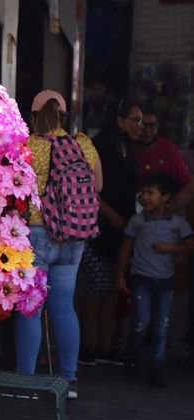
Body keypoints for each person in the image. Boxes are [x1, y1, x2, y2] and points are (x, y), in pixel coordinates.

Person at [14, 90, 103, 399]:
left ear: (34, 115)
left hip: (38, 234)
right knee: (64, 306)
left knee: (31, 309)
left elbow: (16, 191)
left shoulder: (27, 147)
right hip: (74, 236)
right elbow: (98, 186)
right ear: (64, 116)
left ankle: (26, 380)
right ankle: (69, 381)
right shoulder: (84, 145)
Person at [78, 100, 143, 365]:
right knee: (96, 288)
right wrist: (112, 216)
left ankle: (107, 345)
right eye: (135, 120)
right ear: (120, 121)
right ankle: (88, 345)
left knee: (113, 289)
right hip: (100, 225)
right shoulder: (100, 147)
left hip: (123, 228)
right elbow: (91, 188)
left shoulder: (128, 149)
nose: (140, 126)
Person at [117, 173, 194, 387]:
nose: (145, 197)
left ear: (166, 197)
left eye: (151, 193)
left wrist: (170, 248)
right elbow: (126, 247)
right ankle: (131, 356)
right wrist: (121, 275)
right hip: (141, 278)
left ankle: (157, 367)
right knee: (141, 322)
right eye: (143, 193)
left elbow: (190, 246)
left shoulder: (177, 223)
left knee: (162, 325)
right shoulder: (137, 221)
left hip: (165, 281)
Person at [133, 109, 190, 187]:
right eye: (142, 125)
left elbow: (185, 180)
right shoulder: (126, 149)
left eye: (152, 125)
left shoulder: (167, 147)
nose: (147, 130)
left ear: (158, 126)